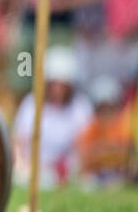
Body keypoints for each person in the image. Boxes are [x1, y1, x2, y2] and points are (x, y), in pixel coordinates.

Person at [11, 45, 92, 188]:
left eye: (62, 84)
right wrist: (24, 165)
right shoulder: (31, 104)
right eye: (54, 84)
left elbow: (83, 146)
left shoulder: (80, 106)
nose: (58, 89)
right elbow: (18, 142)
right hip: (30, 168)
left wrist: (66, 168)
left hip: (66, 171)